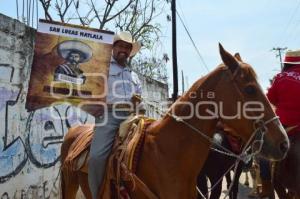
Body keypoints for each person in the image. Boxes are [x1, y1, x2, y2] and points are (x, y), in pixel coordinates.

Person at [88, 31, 143, 199]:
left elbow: (140, 100)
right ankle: (97, 194)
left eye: (127, 48)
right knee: (97, 157)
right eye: (120, 46)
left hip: (132, 117)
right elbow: (91, 94)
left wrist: (140, 109)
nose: (124, 50)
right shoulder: (102, 68)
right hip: (109, 117)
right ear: (113, 47)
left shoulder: (133, 75)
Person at [256, 49, 300, 197]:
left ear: (286, 63)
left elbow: (270, 100)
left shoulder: (280, 78)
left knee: (263, 155)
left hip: (285, 129)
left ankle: (267, 187)